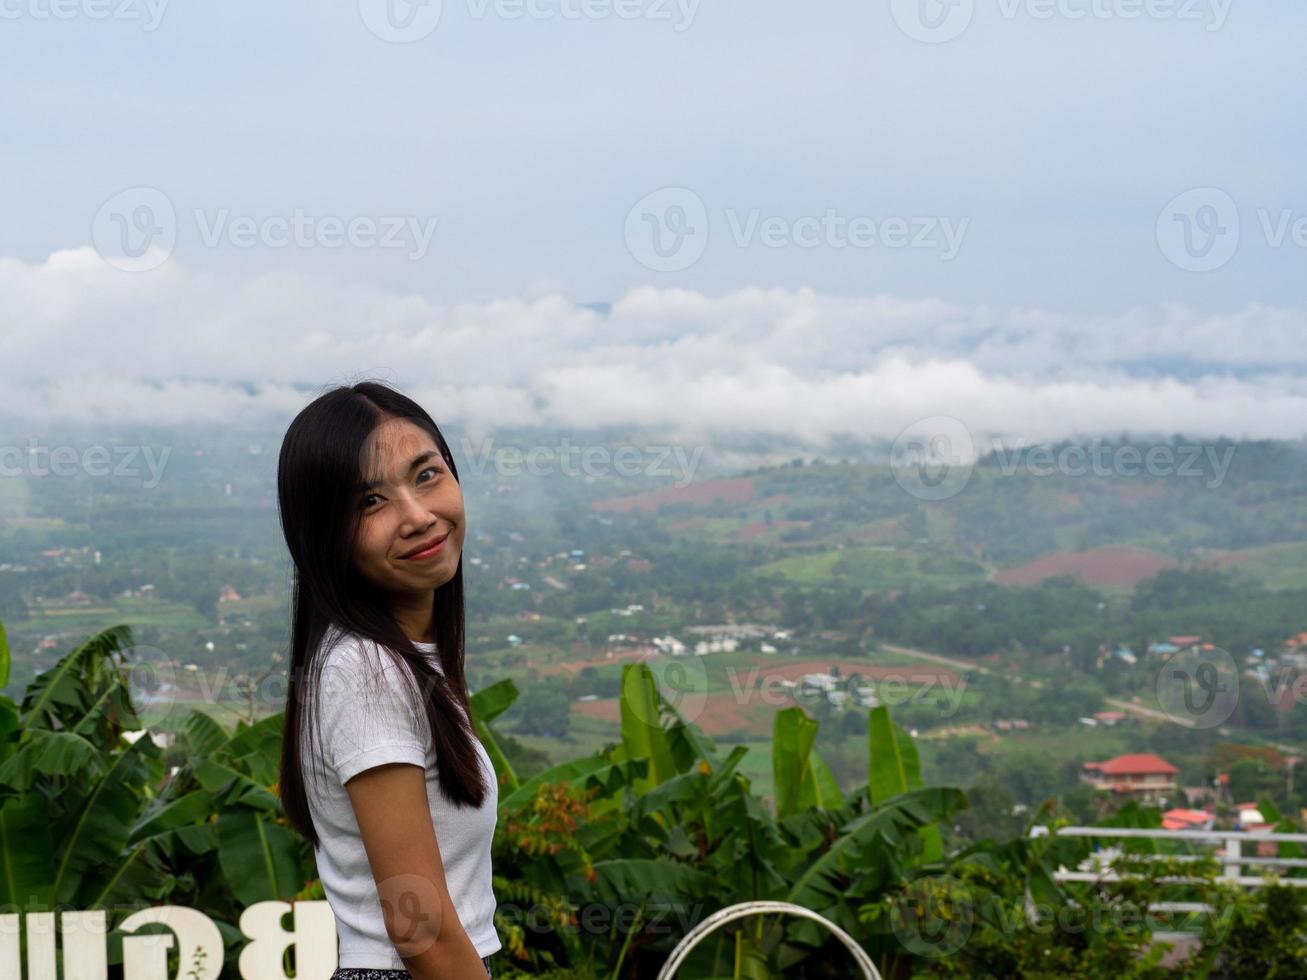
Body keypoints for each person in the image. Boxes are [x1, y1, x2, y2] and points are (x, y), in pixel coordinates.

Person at [275, 380, 501, 980]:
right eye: (370, 503)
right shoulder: (366, 672)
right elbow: (417, 925)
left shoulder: (405, 659)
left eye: (426, 475)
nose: (419, 516)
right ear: (325, 537)